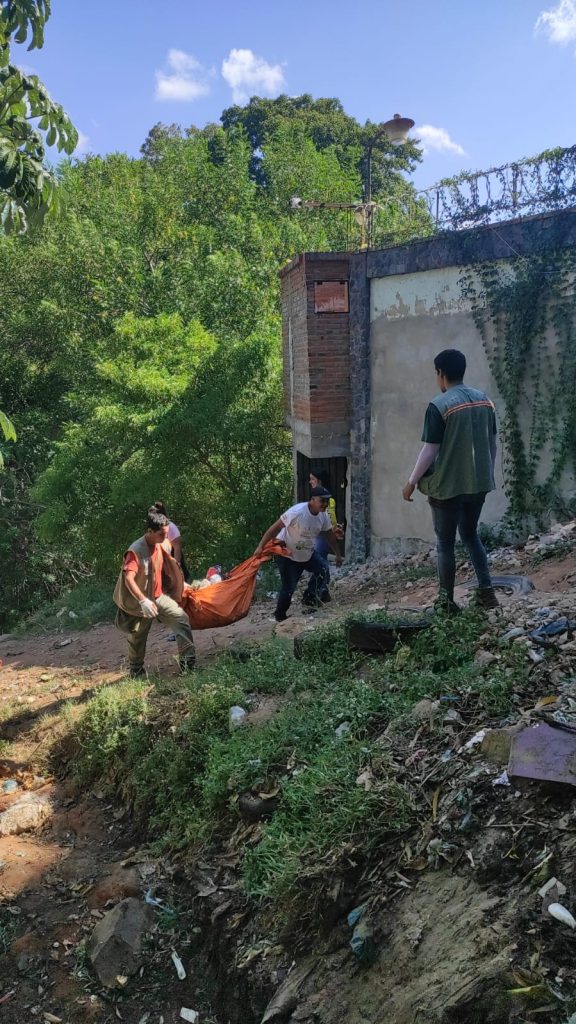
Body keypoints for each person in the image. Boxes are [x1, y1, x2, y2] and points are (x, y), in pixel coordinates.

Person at [402, 348, 499, 613]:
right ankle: (487, 591)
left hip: (447, 487)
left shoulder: (439, 406)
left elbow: (430, 450)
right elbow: (491, 444)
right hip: (478, 483)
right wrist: (487, 473)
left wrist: (411, 482)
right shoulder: (485, 401)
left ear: (441, 373)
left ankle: (446, 603)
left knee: (445, 542)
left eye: (436, 374)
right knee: (470, 534)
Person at [113, 509, 196, 676]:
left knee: (181, 619)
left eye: (166, 533)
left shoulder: (162, 544)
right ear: (150, 531)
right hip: (139, 602)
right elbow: (129, 578)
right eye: (161, 534)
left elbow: (169, 567)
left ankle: (188, 665)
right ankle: (136, 671)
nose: (165, 537)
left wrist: (179, 583)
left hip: (158, 596)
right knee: (137, 637)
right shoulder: (136, 550)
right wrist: (143, 601)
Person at [253, 487, 343, 622]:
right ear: (312, 500)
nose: (325, 504)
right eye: (322, 501)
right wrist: (260, 546)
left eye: (327, 501)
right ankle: (280, 616)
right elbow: (274, 528)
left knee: (323, 569)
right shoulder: (297, 512)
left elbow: (329, 535)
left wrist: (338, 554)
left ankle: (310, 600)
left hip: (307, 554)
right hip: (287, 555)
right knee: (289, 587)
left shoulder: (323, 516)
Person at [308, 469, 342, 602]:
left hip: (322, 536)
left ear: (319, 481)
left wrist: (334, 529)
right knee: (322, 565)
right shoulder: (324, 499)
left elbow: (329, 517)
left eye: (313, 479)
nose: (310, 481)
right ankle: (321, 592)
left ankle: (316, 593)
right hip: (320, 536)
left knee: (321, 566)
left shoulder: (323, 500)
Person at [151, 500, 189, 580]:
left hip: (172, 557)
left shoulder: (171, 527)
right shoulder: (154, 529)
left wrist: (176, 567)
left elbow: (177, 549)